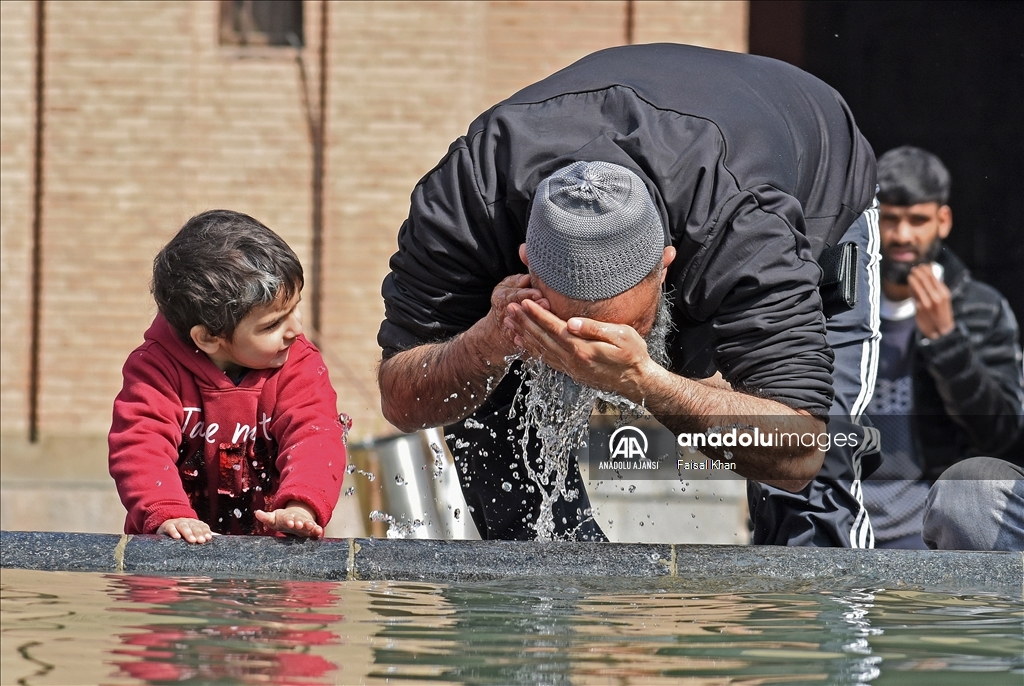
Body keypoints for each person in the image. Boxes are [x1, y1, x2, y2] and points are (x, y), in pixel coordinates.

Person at [377, 43, 881, 543]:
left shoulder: (743, 231)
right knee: (480, 391)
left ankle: (820, 618)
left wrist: (647, 382)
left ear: (667, 266)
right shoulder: (469, 201)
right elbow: (401, 398)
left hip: (816, 182)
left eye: (623, 326)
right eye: (564, 321)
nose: (585, 349)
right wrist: (486, 343)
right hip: (642, 151)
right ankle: (539, 596)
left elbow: (800, 450)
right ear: (525, 259)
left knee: (812, 496)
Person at [109, 210, 349, 544]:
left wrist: (300, 506)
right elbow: (140, 444)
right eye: (272, 324)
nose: (296, 329)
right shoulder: (156, 370)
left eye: (295, 308)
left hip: (274, 545)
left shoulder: (299, 365)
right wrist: (168, 512)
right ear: (208, 338)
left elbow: (315, 435)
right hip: (175, 547)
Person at [862, 146, 1024, 550]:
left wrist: (946, 341)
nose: (902, 236)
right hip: (846, 526)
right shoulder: (844, 305)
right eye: (890, 220)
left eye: (917, 220)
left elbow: (1000, 438)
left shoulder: (980, 308)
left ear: (943, 220)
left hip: (933, 531)